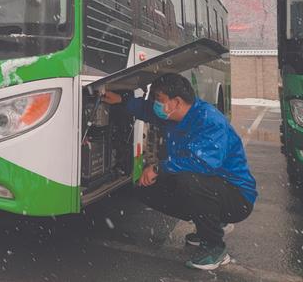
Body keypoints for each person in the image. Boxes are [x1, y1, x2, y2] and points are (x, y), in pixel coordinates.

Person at [102, 73, 257, 271]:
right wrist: (121, 100)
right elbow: (146, 109)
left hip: (237, 197)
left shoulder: (210, 121)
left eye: (159, 100)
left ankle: (215, 248)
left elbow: (203, 164)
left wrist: (158, 168)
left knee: (188, 180)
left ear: (176, 102)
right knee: (145, 189)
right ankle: (210, 224)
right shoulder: (173, 115)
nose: (156, 104)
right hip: (213, 188)